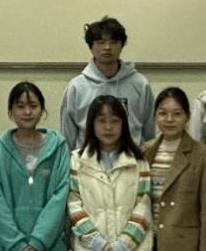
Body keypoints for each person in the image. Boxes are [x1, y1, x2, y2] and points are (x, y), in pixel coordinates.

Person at [0, 82, 70, 251]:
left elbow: (60, 196)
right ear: (10, 111)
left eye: (33, 106)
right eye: (20, 106)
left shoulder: (59, 147)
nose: (27, 112)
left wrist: (38, 241)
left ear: (42, 110)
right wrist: (16, 242)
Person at [68, 95, 153, 251]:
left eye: (114, 121)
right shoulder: (77, 160)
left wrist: (121, 246)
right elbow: (73, 203)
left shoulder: (139, 161)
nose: (108, 127)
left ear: (124, 124)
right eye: (101, 120)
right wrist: (98, 244)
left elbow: (143, 206)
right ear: (91, 123)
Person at [142, 87, 206, 251]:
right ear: (155, 116)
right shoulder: (145, 151)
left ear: (187, 116)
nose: (169, 119)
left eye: (176, 113)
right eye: (163, 113)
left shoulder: (205, 156)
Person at [60, 16, 155, 152]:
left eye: (114, 42)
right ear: (91, 46)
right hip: (87, 161)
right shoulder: (77, 87)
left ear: (122, 45)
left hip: (131, 160)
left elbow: (149, 132)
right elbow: (67, 136)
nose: (107, 47)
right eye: (100, 42)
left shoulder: (140, 84)